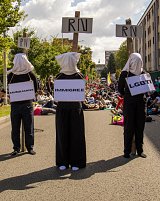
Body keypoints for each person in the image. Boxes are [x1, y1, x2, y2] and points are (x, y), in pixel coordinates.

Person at [55, 52, 86, 171]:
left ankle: (76, 162)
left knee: (76, 135)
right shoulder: (59, 76)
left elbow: (82, 91)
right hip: (63, 108)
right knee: (62, 134)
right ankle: (63, 161)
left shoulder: (79, 76)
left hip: (75, 108)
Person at [8, 53, 38, 156]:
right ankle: (23, 148)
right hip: (23, 104)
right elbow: (36, 87)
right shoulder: (26, 74)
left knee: (22, 127)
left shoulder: (27, 74)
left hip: (20, 104)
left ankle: (23, 147)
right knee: (22, 127)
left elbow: (35, 86)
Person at [118, 53, 147, 158]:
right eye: (135, 61)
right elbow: (120, 89)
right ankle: (126, 151)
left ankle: (140, 150)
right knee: (128, 127)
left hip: (140, 104)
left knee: (140, 127)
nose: (137, 63)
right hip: (129, 104)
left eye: (139, 61)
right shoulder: (125, 74)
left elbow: (147, 88)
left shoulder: (143, 73)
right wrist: (127, 95)